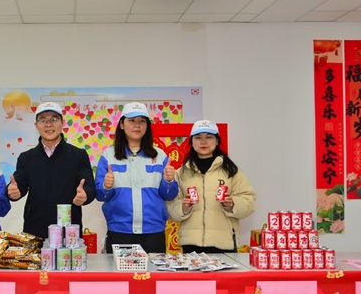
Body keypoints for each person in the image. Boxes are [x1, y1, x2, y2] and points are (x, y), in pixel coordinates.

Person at [95, 102, 178, 253]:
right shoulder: (109, 155)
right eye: (131, 120)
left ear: (147, 126)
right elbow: (100, 196)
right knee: (118, 269)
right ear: (122, 125)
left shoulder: (160, 156)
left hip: (153, 232)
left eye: (142, 121)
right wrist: (106, 186)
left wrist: (168, 181)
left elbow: (169, 195)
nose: (137, 125)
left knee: (154, 269)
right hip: (119, 231)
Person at [6, 101, 96, 239]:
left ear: (62, 123)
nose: (49, 124)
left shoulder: (78, 155)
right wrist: (12, 191)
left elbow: (89, 186)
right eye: (43, 120)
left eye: (54, 119)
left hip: (68, 232)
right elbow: (19, 186)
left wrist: (86, 195)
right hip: (34, 231)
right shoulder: (26, 158)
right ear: (36, 125)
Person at [166, 120, 256, 253]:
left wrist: (232, 204)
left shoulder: (231, 171)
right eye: (198, 138)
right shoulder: (181, 173)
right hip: (191, 243)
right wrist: (184, 208)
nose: (203, 142)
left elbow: (249, 201)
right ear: (191, 142)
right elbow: (170, 206)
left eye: (209, 137)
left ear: (217, 141)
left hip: (225, 243)